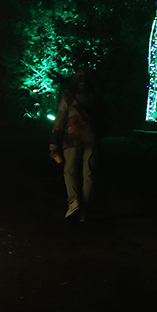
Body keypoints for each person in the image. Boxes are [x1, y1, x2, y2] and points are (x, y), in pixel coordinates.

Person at [49, 69, 99, 221]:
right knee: (88, 174)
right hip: (91, 138)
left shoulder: (68, 97)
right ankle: (84, 211)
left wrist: (53, 144)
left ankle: (74, 201)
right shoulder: (94, 97)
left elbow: (59, 122)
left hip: (72, 139)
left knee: (69, 171)